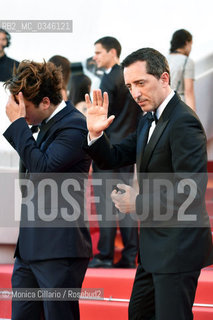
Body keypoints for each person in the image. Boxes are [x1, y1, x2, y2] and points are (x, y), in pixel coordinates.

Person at [84, 47, 213, 319]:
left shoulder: (184, 122)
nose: (135, 93)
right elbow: (114, 157)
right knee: (138, 314)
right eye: (130, 86)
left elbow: (191, 191)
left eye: (141, 83)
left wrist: (137, 202)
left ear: (164, 78)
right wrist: (95, 134)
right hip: (154, 248)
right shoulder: (146, 120)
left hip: (179, 246)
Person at [3, 60, 92, 320]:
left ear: (45, 102)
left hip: (59, 249)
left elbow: (42, 170)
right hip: (30, 249)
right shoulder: (42, 125)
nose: (21, 114)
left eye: (26, 108)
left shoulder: (75, 125)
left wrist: (18, 126)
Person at [89, 36, 141, 268]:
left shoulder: (109, 80)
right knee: (126, 204)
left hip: (109, 151)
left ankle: (105, 256)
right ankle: (130, 257)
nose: (95, 57)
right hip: (128, 150)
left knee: (106, 205)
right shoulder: (130, 79)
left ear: (113, 52)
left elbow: (100, 118)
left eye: (99, 52)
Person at [167, 29, 196, 111]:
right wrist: (193, 118)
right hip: (179, 106)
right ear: (187, 43)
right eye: (191, 45)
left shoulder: (164, 59)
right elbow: (188, 93)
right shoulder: (187, 61)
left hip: (164, 106)